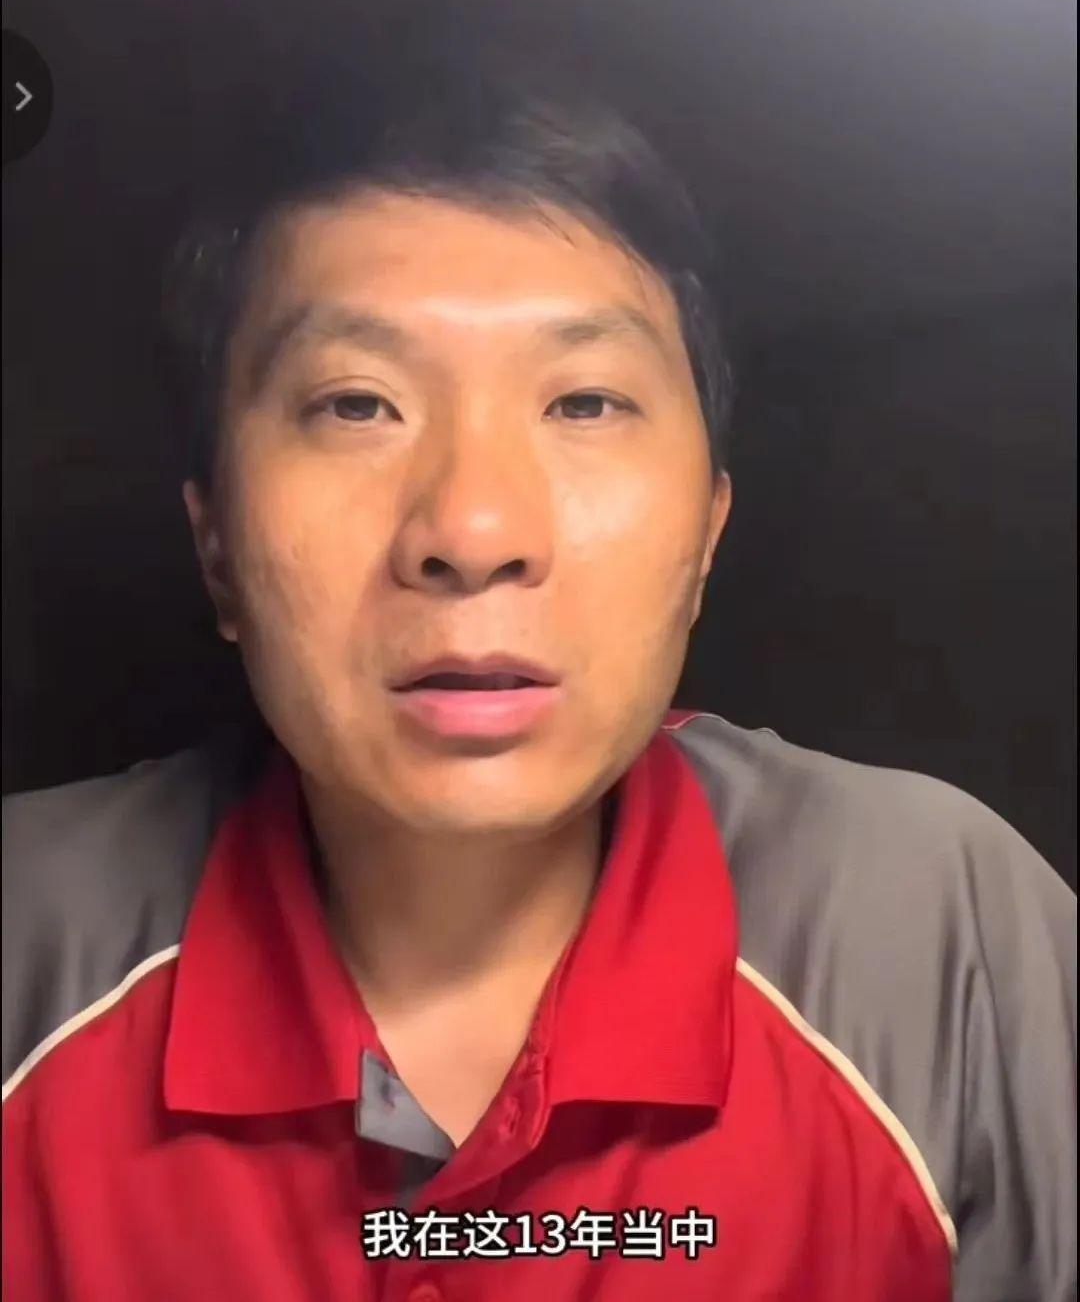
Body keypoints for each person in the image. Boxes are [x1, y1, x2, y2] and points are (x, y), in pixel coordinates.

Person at [2, 86, 1075, 1302]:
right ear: (218, 549)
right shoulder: (26, 943)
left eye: (584, 402)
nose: (474, 531)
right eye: (357, 403)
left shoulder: (934, 927)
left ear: (707, 533)